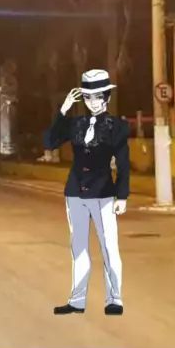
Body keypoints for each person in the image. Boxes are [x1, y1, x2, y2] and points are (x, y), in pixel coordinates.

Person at [43, 69, 130, 316]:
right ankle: (77, 301)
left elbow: (123, 162)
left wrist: (122, 196)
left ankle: (114, 300)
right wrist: (63, 111)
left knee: (109, 248)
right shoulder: (76, 123)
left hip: (103, 193)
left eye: (98, 97)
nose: (93, 102)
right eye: (88, 97)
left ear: (107, 98)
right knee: (78, 248)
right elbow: (49, 142)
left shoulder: (117, 126)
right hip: (75, 193)